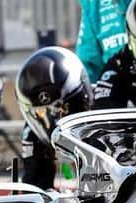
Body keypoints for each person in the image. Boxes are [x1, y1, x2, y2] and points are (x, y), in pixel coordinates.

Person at [16, 46, 93, 189]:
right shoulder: (32, 132)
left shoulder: (103, 116)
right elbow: (34, 187)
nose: (53, 121)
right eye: (40, 113)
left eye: (62, 108)